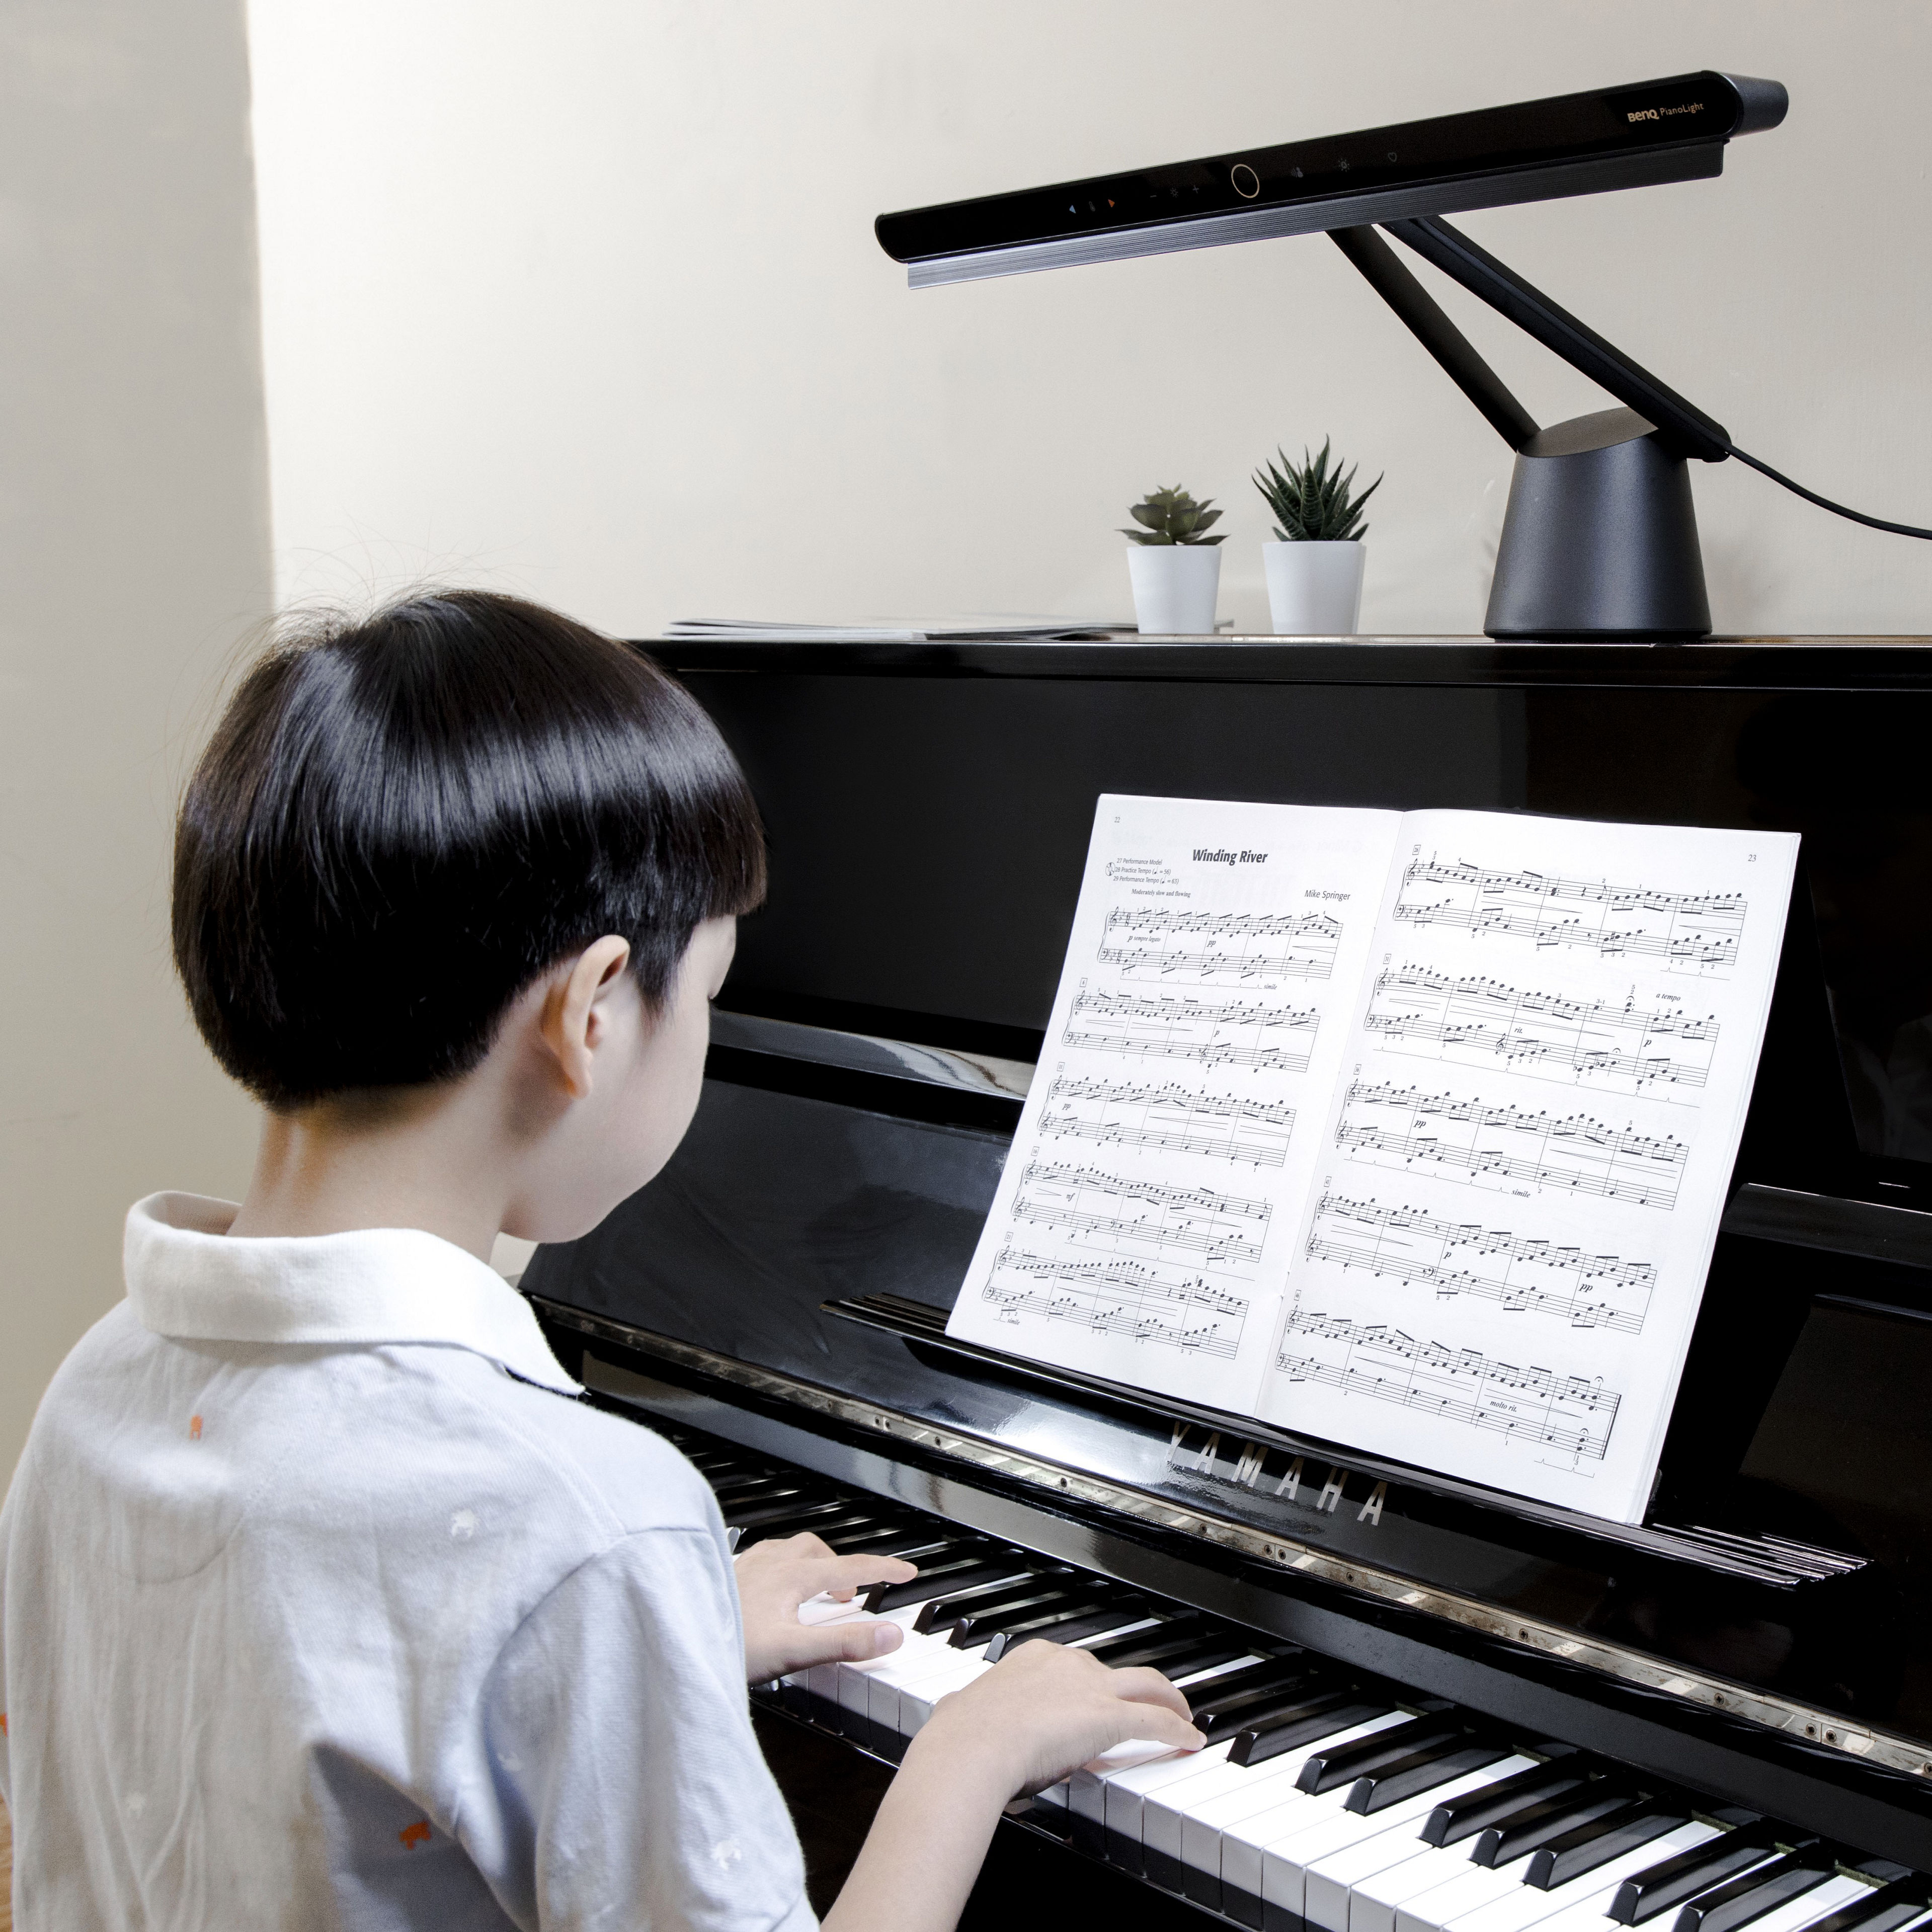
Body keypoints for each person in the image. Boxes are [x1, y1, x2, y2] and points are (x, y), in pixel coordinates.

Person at [0, 590, 1202, 1930]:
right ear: (589, 1013)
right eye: (710, 999)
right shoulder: (578, 1514)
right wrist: (964, 1760)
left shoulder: (92, 1391)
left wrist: (644, 1659)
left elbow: (323, 1681)